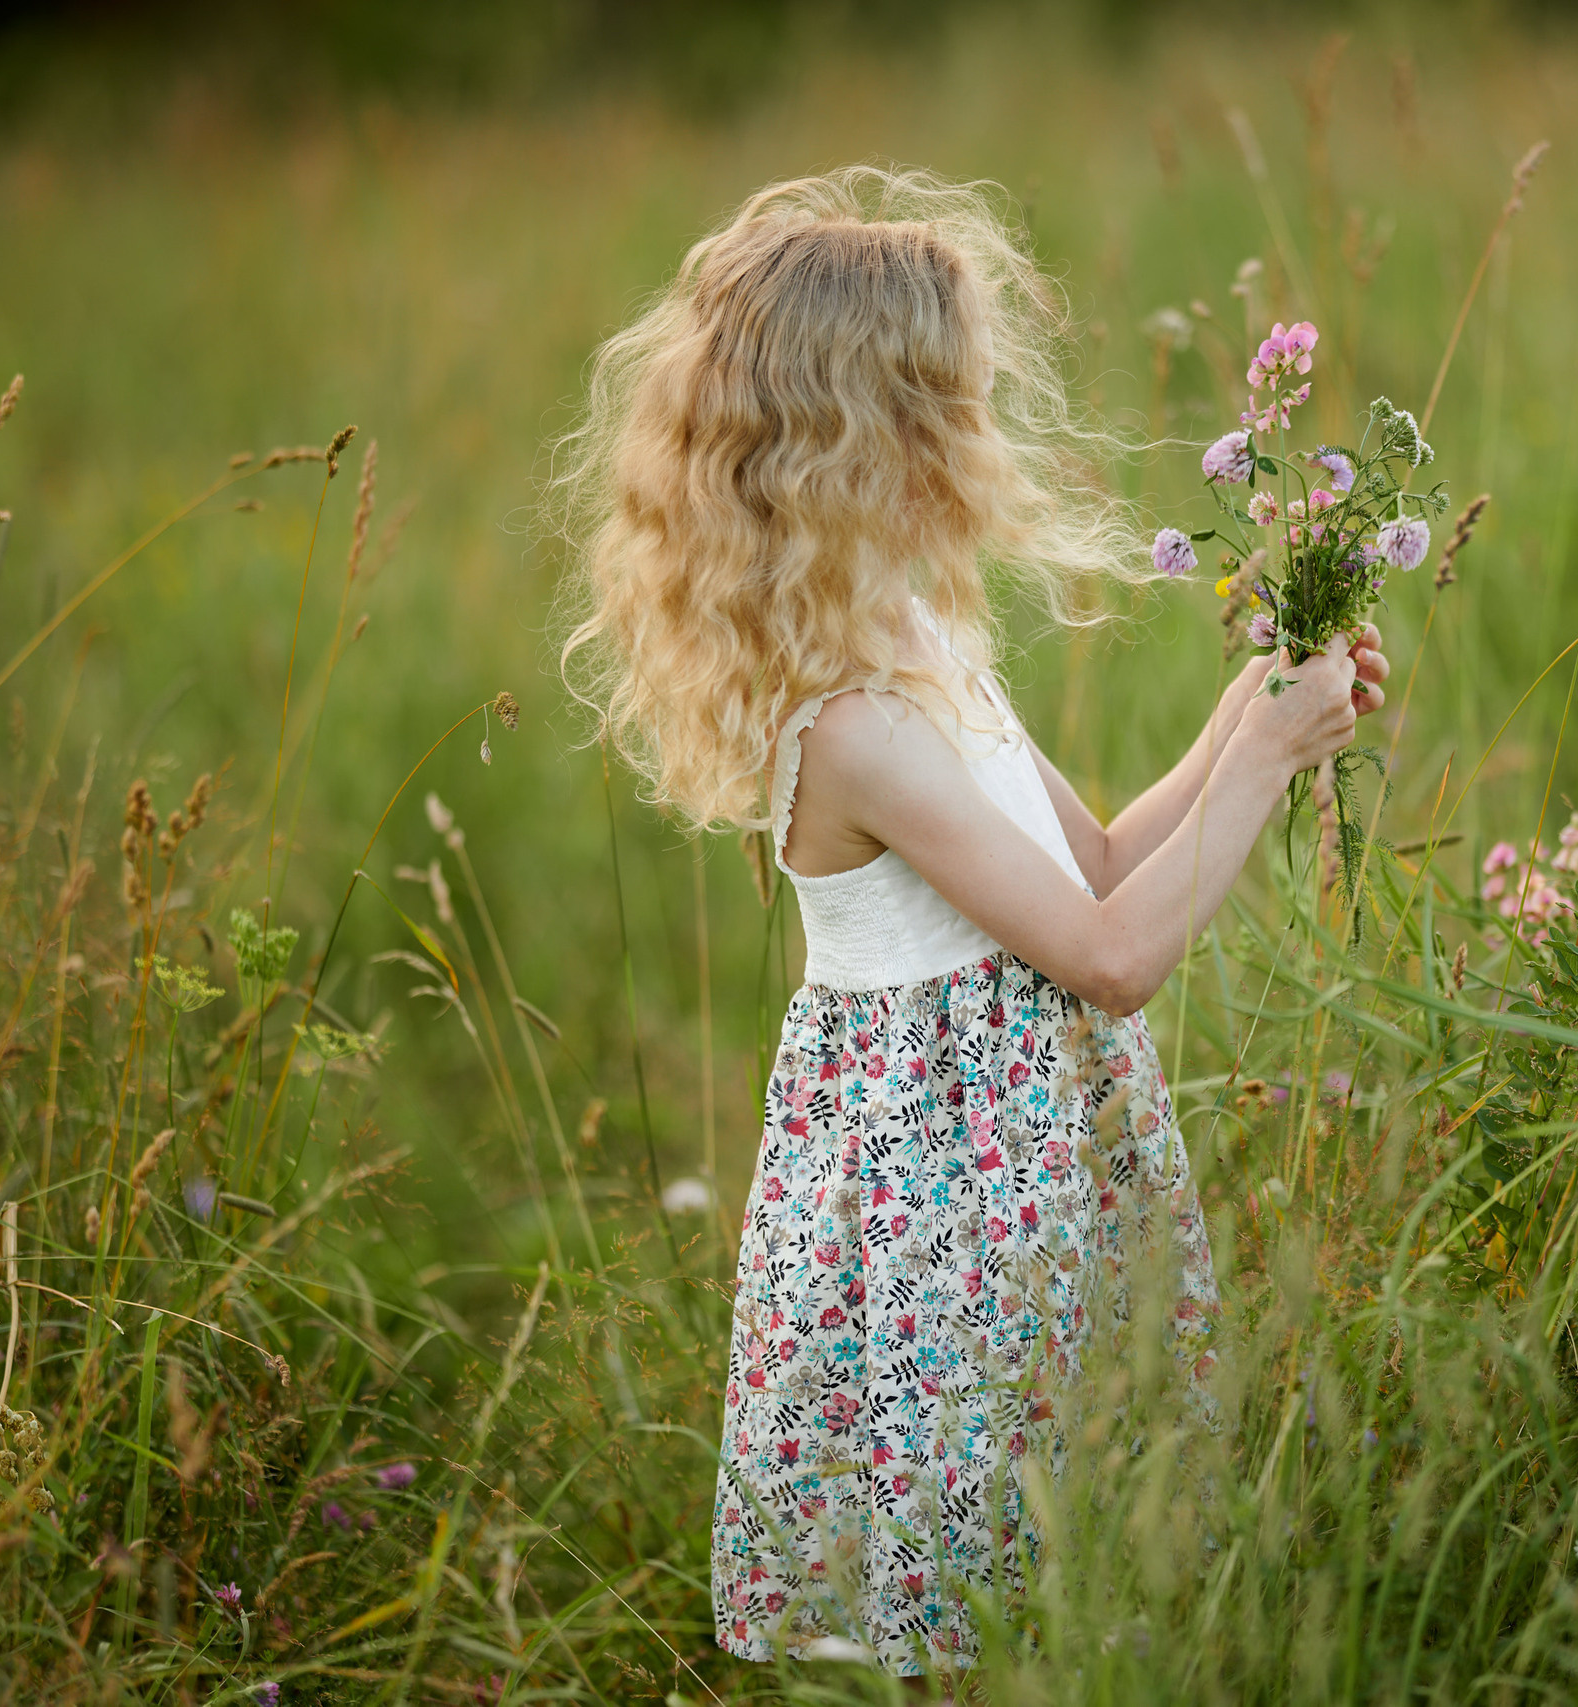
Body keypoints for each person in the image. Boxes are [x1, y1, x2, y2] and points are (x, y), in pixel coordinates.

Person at [555, 165, 1385, 1681]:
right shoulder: (855, 726)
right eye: (966, 399)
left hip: (1032, 1157)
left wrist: (1250, 710)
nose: (991, 427)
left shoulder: (925, 648)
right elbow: (1114, 960)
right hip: (944, 1192)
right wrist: (1269, 765)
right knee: (970, 1575)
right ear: (881, 432)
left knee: (1061, 1555)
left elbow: (1105, 862)